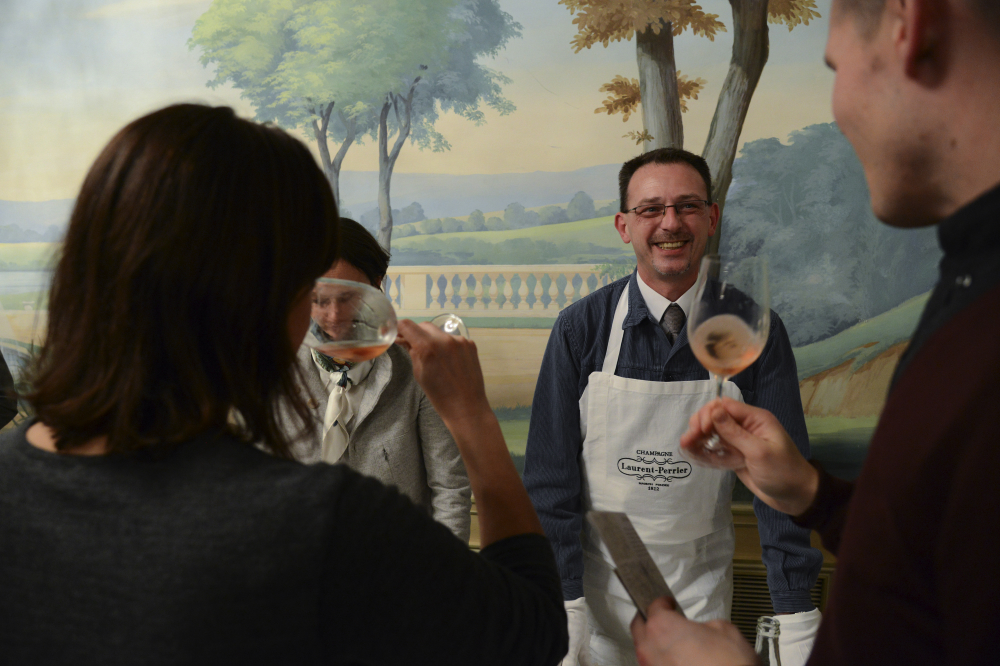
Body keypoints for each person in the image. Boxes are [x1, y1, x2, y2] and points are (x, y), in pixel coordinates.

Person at [0, 103, 567, 665]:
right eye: (312, 288)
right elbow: (533, 633)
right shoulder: (321, 524)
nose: (331, 315)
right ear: (275, 298)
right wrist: (472, 415)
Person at [633, 0, 1000, 664]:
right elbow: (934, 564)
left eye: (835, 67)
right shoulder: (970, 278)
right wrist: (813, 495)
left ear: (908, 27)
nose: (838, 107)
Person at [524, 147, 823, 666]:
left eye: (687, 206)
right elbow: (551, 486)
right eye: (650, 209)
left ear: (712, 218)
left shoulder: (754, 329)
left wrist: (797, 619)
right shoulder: (580, 329)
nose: (670, 223)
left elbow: (780, 487)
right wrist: (563, 610)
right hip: (593, 608)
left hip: (701, 607)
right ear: (624, 226)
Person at [284, 217, 471, 541]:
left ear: (377, 285)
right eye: (320, 299)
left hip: (398, 561)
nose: (334, 316)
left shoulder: (417, 370)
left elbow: (450, 488)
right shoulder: (276, 371)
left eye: (348, 297)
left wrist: (446, 570)